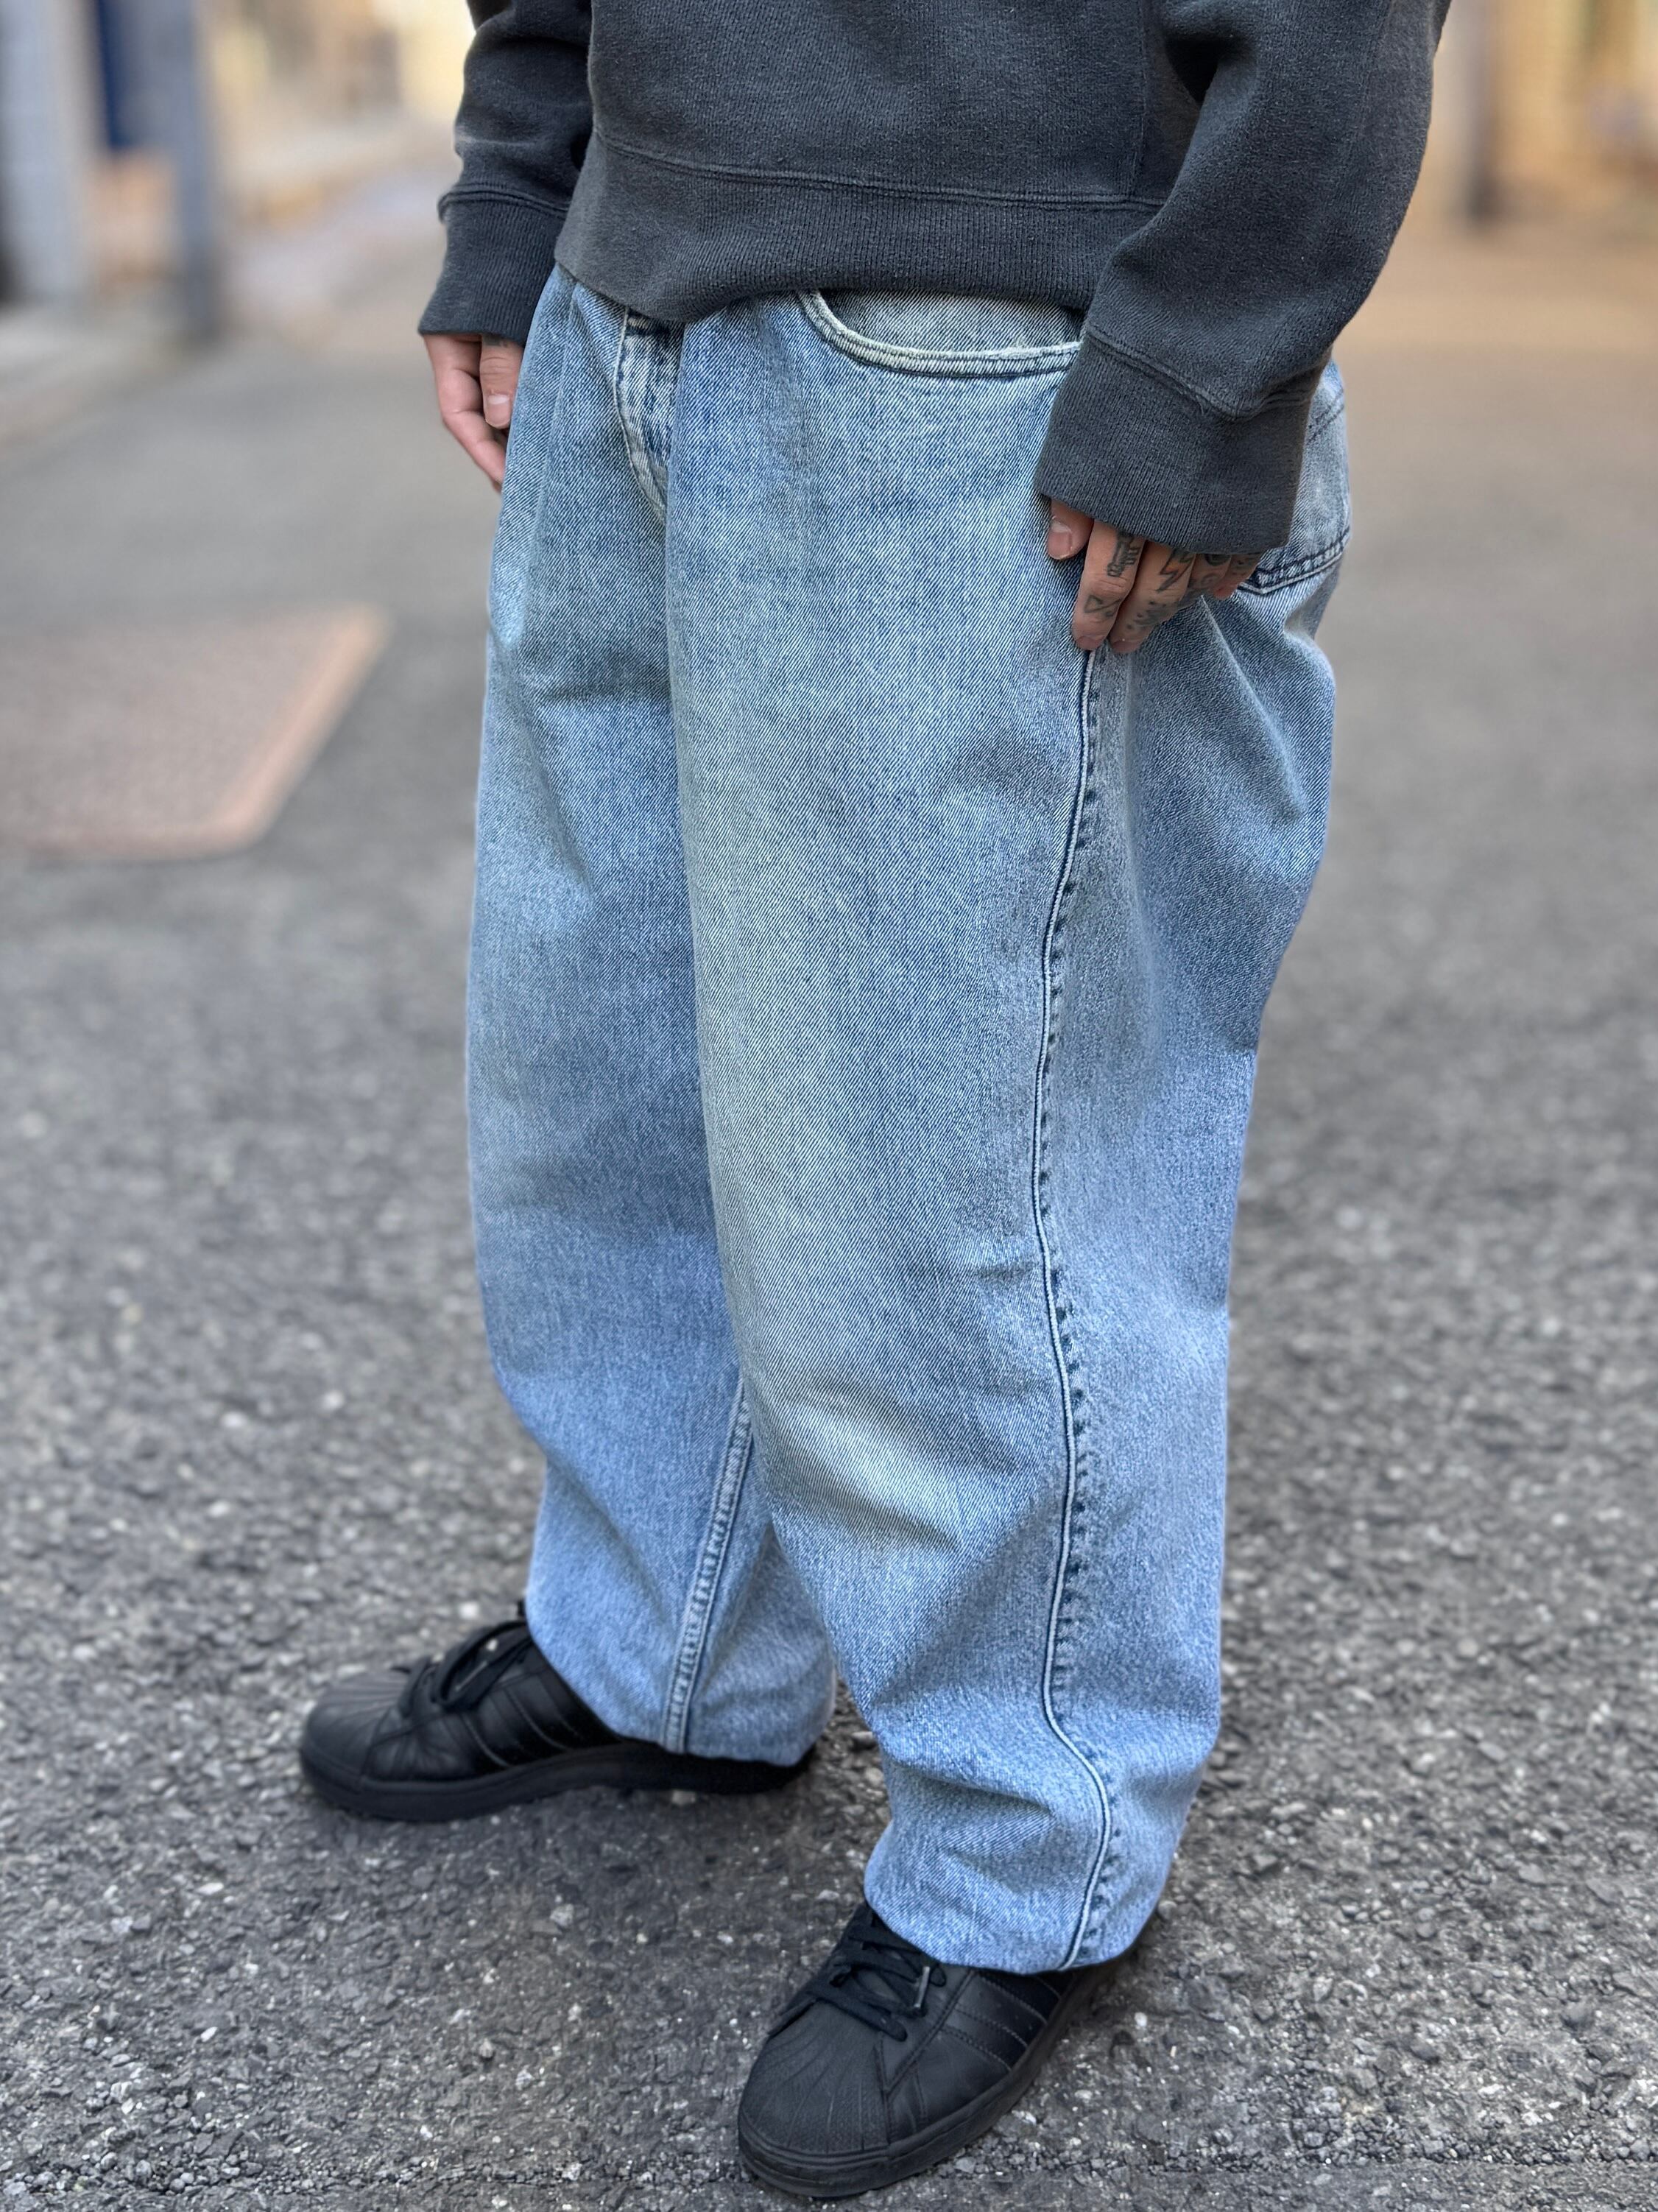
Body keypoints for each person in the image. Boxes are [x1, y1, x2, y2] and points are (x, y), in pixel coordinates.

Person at [300, 1, 1450, 2194]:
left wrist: (1209, 357)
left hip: (998, 332)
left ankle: (1036, 1841)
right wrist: (522, 182)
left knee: (952, 1153)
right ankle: (666, 1646)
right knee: (614, 1068)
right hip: (637, 279)